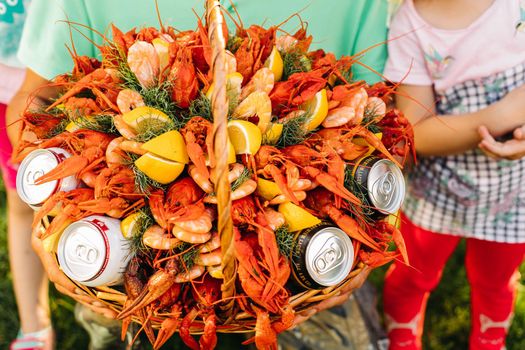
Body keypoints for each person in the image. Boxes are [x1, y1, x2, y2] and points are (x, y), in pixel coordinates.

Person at [12, 0, 392, 348]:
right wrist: (50, 223)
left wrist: (368, 242)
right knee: (118, 326)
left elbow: (378, 126)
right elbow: (39, 99)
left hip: (313, 270)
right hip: (117, 277)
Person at [382, 0, 525, 349]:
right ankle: (401, 334)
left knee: (495, 279)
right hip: (438, 192)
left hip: (514, 189)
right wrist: (502, 115)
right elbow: (418, 133)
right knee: (414, 272)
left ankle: (489, 337)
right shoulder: (409, 25)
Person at [0, 1, 55, 349]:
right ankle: (35, 326)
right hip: (6, 89)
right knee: (22, 202)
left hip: (65, 82)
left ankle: (108, 310)